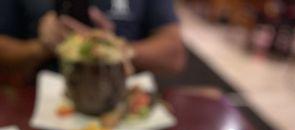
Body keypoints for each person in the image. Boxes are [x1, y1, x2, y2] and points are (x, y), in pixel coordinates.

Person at [0, 0, 185, 82]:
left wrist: (114, 49)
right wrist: (42, 47)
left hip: (122, 101)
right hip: (45, 103)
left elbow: (174, 54)